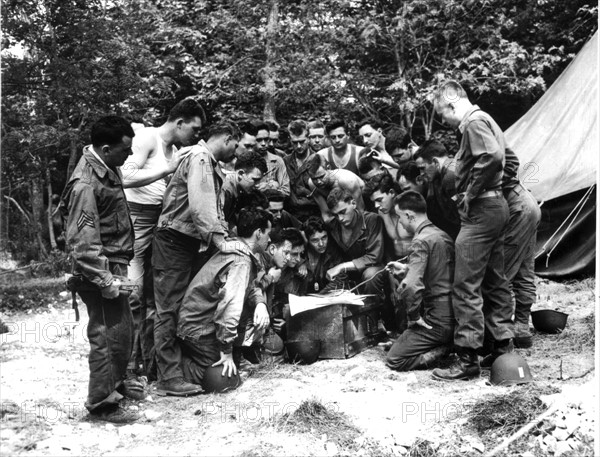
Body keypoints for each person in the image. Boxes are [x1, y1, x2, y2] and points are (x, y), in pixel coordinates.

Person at [431, 81, 514, 381]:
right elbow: (510, 159)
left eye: (442, 114)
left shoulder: (472, 123)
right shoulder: (488, 119)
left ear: (453, 104)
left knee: (465, 286)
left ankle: (466, 358)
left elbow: (491, 157)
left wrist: (471, 193)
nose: (444, 121)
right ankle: (504, 347)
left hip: (480, 212)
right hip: (496, 207)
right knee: (494, 279)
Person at [152, 121, 242, 396]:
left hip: (186, 242)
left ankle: (177, 370)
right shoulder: (201, 158)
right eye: (236, 144)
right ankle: (167, 378)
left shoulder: (209, 162)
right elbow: (201, 208)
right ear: (228, 137)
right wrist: (220, 244)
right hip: (174, 241)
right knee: (167, 309)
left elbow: (214, 211)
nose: (236, 150)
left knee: (178, 306)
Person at [60, 116, 138, 423]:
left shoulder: (106, 167)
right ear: (105, 148)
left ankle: (115, 386)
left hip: (113, 264)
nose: (129, 156)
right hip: (99, 270)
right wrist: (105, 279)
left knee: (120, 331)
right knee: (105, 336)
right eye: (125, 150)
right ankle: (101, 403)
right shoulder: (86, 185)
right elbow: (83, 242)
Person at [121, 98, 206, 382]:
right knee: (132, 296)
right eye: (193, 129)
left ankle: (148, 366)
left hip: (159, 225)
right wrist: (167, 170)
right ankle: (127, 368)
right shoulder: (148, 137)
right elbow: (124, 175)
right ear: (179, 122)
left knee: (153, 300)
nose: (196, 135)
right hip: (134, 223)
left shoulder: (176, 149)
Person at [177, 208, 273, 386]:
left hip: (201, 327)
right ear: (258, 233)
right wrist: (226, 351)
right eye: (268, 233)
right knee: (223, 378)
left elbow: (250, 287)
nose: (270, 239)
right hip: (199, 331)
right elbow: (229, 307)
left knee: (232, 371)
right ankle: (175, 367)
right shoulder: (240, 261)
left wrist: (260, 303)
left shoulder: (236, 249)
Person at [385, 191, 455, 371]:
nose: (399, 222)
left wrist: (414, 316)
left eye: (399, 217)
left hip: (437, 320)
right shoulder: (441, 234)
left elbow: (410, 287)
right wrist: (407, 270)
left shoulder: (419, 241)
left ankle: (444, 349)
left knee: (394, 358)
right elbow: (439, 273)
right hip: (454, 315)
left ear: (409, 215)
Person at [325, 188, 385, 304]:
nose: (340, 219)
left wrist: (341, 267)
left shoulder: (371, 220)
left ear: (353, 203)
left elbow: (374, 257)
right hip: (349, 273)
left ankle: (375, 313)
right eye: (335, 215)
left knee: (370, 275)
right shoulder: (332, 226)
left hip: (374, 268)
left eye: (343, 212)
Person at [413, 140, 461, 240]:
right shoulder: (443, 173)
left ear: (435, 162)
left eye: (423, 168)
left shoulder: (450, 176)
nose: (421, 173)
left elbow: (460, 214)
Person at [307, 154, 365, 222]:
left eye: (321, 177)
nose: (319, 182)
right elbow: (326, 214)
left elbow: (361, 211)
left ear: (328, 168)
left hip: (366, 206)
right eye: (314, 179)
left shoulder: (347, 181)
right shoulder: (312, 184)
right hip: (341, 214)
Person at [283, 119, 320, 220]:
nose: (299, 146)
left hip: (315, 215)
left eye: (302, 142)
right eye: (295, 142)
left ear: (308, 138)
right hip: (292, 216)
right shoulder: (285, 162)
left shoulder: (319, 159)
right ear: (289, 140)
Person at [221, 151, 268, 229]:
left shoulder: (238, 187)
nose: (258, 184)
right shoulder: (226, 189)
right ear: (240, 174)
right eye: (255, 180)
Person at [254, 120, 290, 198]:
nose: (263, 143)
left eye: (266, 139)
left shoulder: (277, 161)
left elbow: (286, 191)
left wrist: (269, 188)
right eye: (259, 140)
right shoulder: (244, 159)